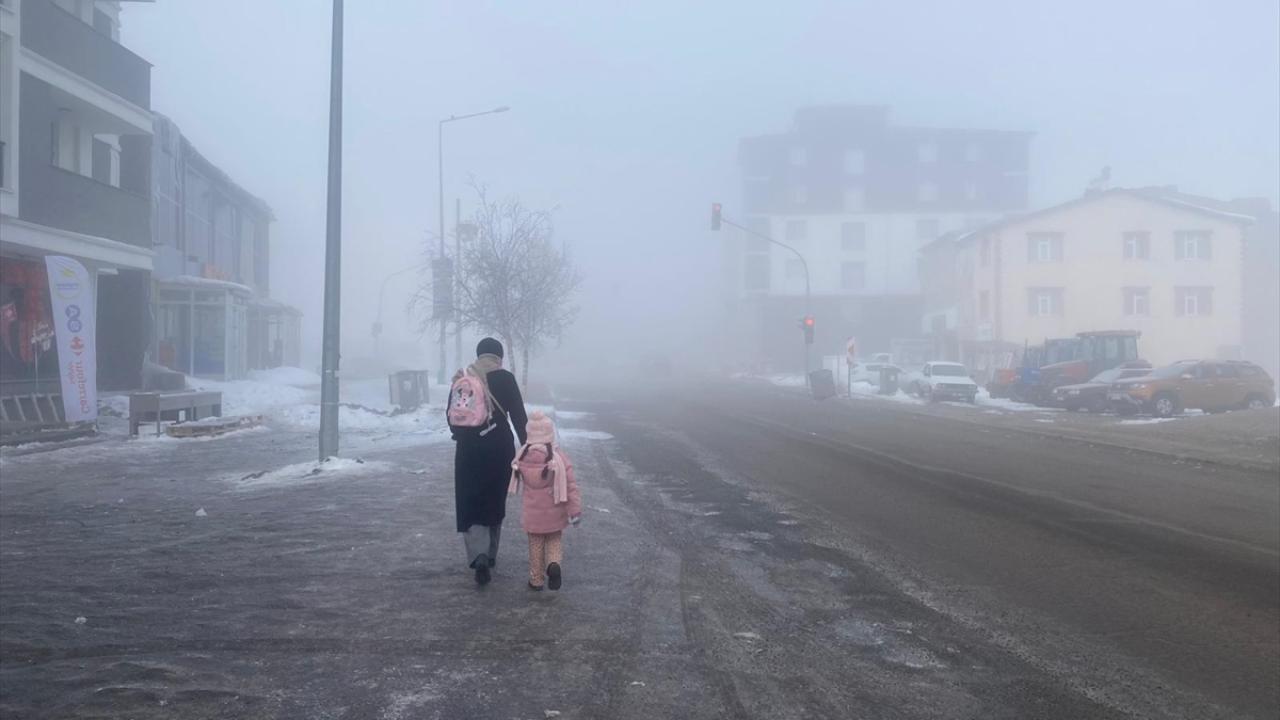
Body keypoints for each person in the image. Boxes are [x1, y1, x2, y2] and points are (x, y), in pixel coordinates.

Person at [448, 337, 528, 585]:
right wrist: (530, 447)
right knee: (494, 499)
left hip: (469, 449)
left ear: (479, 354)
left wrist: (462, 435)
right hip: (499, 448)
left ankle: (478, 554)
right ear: (499, 357)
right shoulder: (506, 378)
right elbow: (519, 417)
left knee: (471, 501)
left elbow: (452, 418)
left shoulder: (463, 378)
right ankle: (490, 554)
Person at [509, 411, 582, 591]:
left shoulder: (522, 456)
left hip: (532, 514)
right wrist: (574, 510)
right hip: (555, 513)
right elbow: (571, 486)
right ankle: (553, 564)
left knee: (535, 545)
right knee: (554, 541)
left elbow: (516, 476)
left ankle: (536, 581)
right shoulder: (558, 458)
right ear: (550, 433)